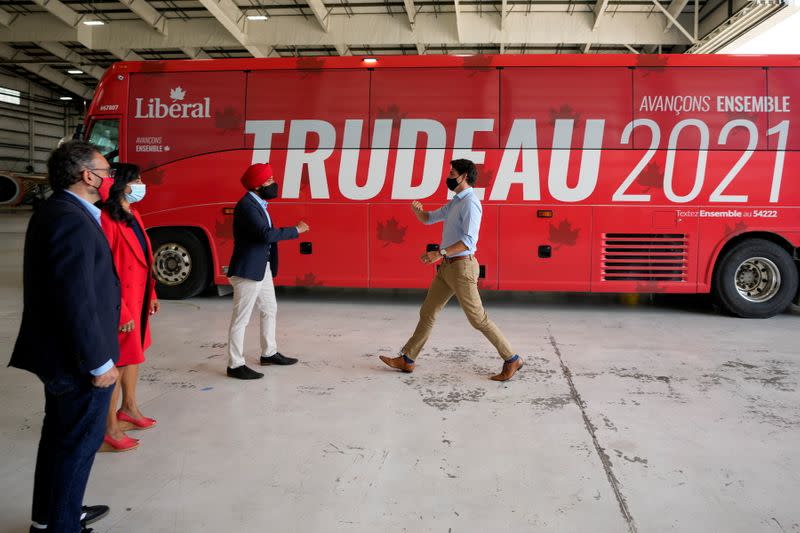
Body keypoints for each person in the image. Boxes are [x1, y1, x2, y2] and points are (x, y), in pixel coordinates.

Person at [9, 140, 120, 532]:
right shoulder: (70, 218)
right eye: (106, 173)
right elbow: (75, 299)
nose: (111, 180)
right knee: (76, 445)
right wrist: (99, 362)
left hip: (61, 355)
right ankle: (62, 526)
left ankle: (52, 517)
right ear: (88, 176)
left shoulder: (63, 210)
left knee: (58, 441)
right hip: (76, 360)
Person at [379, 159, 524, 381]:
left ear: (464, 176)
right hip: (447, 268)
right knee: (428, 312)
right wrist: (418, 211)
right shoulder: (456, 201)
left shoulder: (471, 203)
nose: (448, 176)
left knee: (478, 319)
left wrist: (439, 253)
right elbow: (429, 219)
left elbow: (468, 241)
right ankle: (407, 359)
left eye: (452, 172)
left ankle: (512, 358)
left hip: (462, 267)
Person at [225, 163, 310, 380]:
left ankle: (269, 353)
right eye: (269, 180)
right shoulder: (246, 206)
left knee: (270, 308)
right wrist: (296, 230)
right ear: (257, 185)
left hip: (260, 268)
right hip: (247, 271)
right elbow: (265, 234)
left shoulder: (258, 204)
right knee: (241, 319)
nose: (274, 183)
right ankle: (235, 364)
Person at [98, 163, 159, 452]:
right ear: (123, 184)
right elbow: (105, 270)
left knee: (134, 355)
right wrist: (120, 310)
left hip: (139, 298)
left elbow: (145, 258)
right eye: (137, 180)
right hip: (121, 302)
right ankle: (109, 426)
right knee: (119, 362)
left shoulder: (134, 215)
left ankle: (130, 409)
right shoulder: (107, 220)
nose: (141, 185)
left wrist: (153, 292)